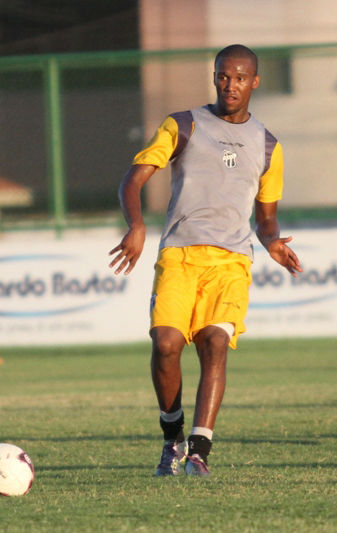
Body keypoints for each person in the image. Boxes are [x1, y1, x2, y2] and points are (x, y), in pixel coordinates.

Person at [108, 44, 302, 477]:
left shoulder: (268, 145)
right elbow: (133, 178)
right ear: (214, 77)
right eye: (222, 76)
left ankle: (199, 452)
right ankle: (171, 437)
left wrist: (272, 242)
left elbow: (266, 218)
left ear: (254, 81)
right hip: (179, 254)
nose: (229, 85)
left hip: (232, 262)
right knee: (166, 346)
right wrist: (136, 225)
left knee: (215, 342)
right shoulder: (184, 125)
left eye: (238, 78)